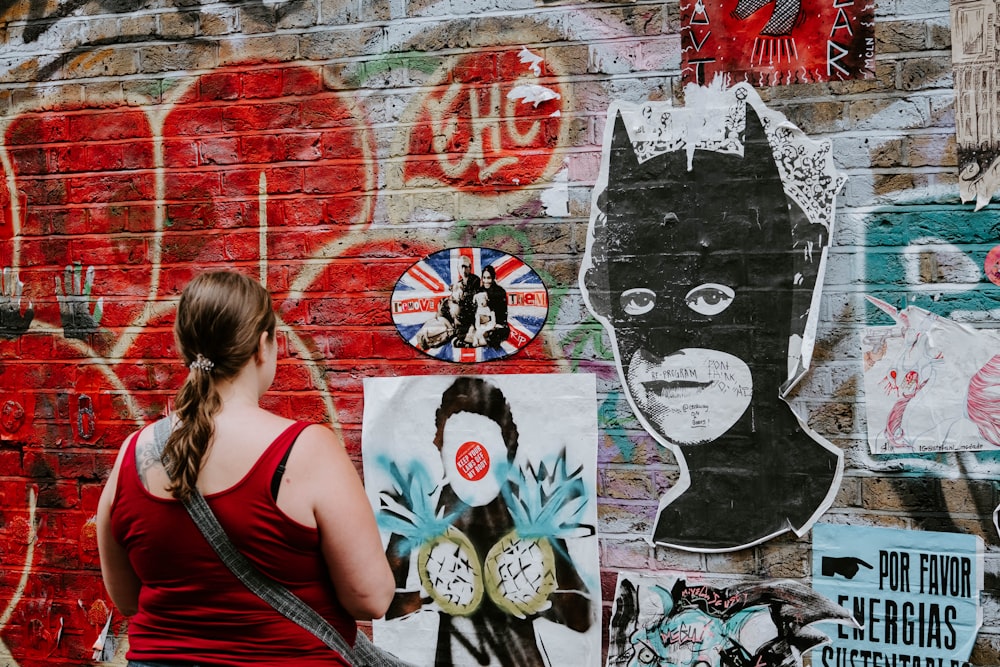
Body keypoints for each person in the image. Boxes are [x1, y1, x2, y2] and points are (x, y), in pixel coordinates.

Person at [96, 270, 394, 667]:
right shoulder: (306, 450)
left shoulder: (133, 454)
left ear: (185, 348)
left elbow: (127, 598)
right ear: (261, 346)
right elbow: (370, 597)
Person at [449, 255, 480, 347]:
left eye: (465, 267)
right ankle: (460, 337)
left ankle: (462, 338)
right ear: (458, 269)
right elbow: (454, 298)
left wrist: (460, 296)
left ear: (470, 268)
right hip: (462, 313)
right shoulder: (458, 284)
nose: (463, 270)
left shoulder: (475, 280)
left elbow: (472, 298)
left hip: (472, 313)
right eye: (461, 267)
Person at [479, 265, 510, 348]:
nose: (486, 281)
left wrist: (489, 319)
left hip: (498, 325)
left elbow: (502, 315)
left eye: (488, 278)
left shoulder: (500, 292)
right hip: (481, 325)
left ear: (493, 278)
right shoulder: (479, 291)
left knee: (493, 336)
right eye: (484, 278)